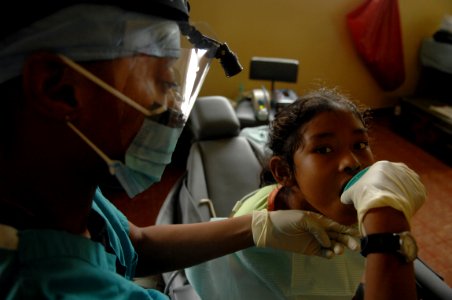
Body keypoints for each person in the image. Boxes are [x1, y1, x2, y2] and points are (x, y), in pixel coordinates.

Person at [0, 2, 361, 299]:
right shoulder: (55, 288)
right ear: (58, 88)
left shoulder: (55, 193)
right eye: (163, 81)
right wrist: (388, 237)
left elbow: (133, 243)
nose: (174, 105)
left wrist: (258, 227)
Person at [185, 88, 426, 300]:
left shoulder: (359, 204)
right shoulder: (257, 235)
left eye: (360, 145)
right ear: (284, 171)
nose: (352, 163)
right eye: (324, 149)